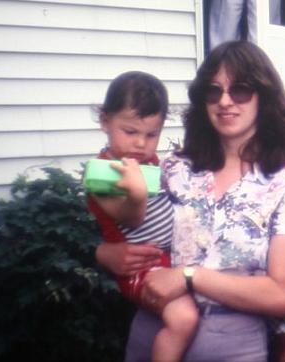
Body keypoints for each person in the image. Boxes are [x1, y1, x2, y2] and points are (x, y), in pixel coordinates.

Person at [102, 42, 285, 362]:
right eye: (213, 91)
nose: (225, 101)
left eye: (240, 90)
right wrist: (105, 253)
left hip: (231, 343)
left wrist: (190, 276)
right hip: (154, 328)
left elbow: (281, 295)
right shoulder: (175, 168)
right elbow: (131, 222)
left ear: (264, 96)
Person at [87, 71, 198, 362]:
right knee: (184, 320)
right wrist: (136, 193)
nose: (140, 144)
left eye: (151, 135)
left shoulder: (146, 162)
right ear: (105, 122)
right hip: (143, 269)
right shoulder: (103, 173)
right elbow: (131, 219)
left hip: (167, 260)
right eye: (131, 132)